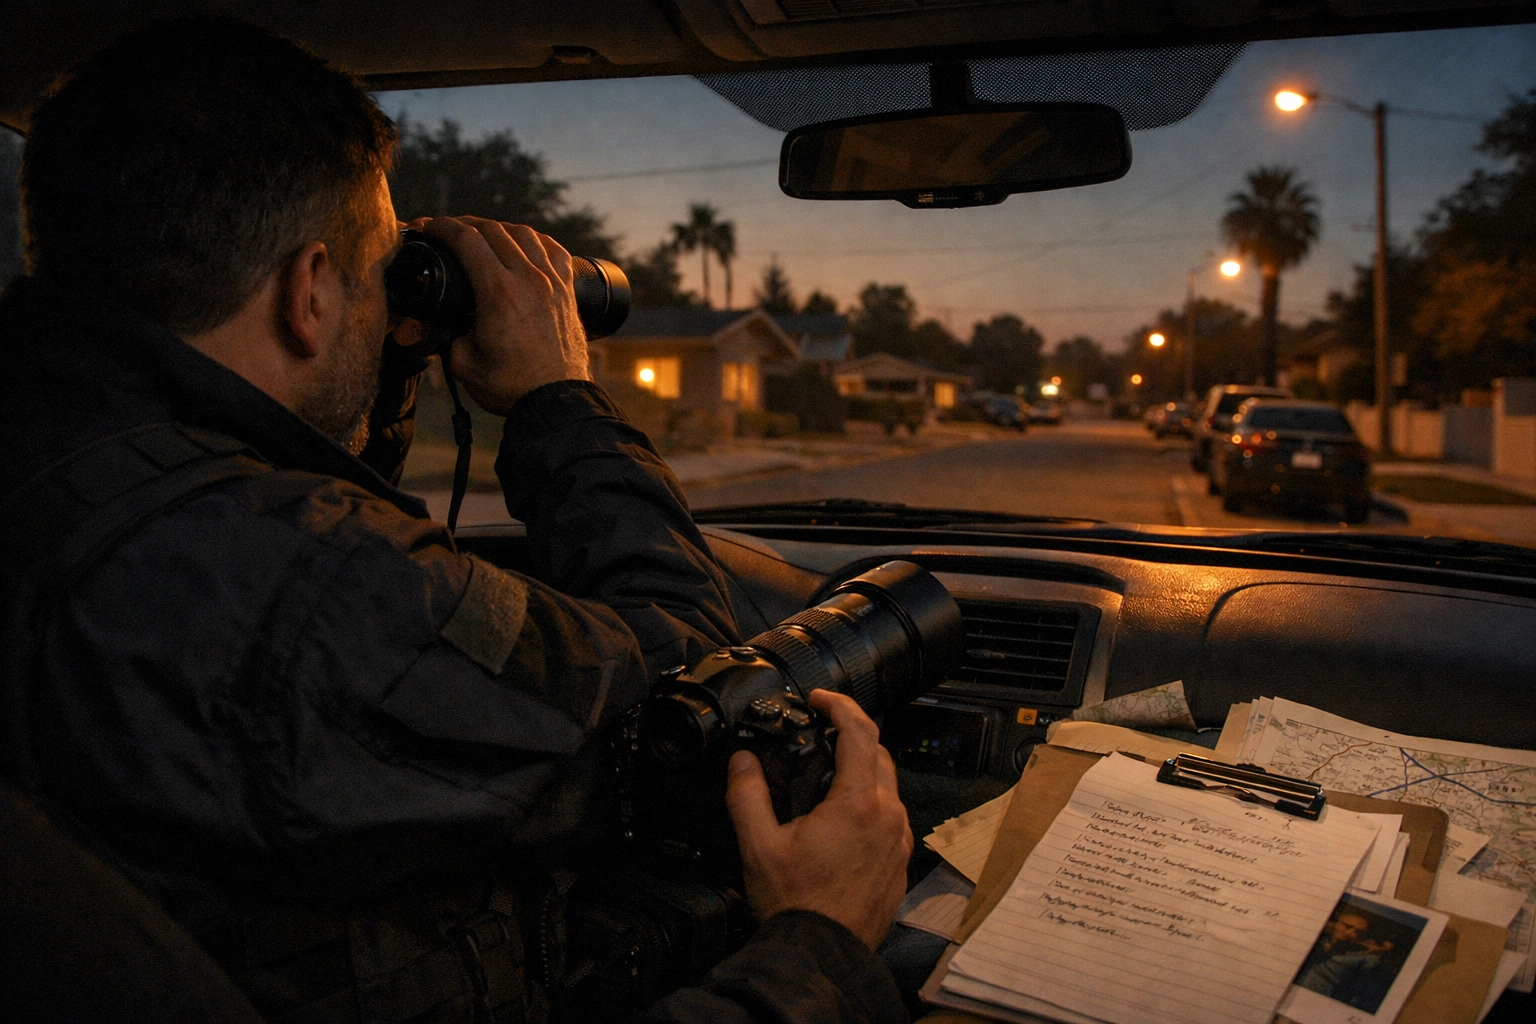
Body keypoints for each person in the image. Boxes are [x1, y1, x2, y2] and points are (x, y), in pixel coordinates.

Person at [0, 16, 912, 1023]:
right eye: (372, 269)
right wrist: (559, 395)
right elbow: (688, 690)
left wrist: (381, 358)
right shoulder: (317, 589)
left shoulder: (75, 475)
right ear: (308, 293)